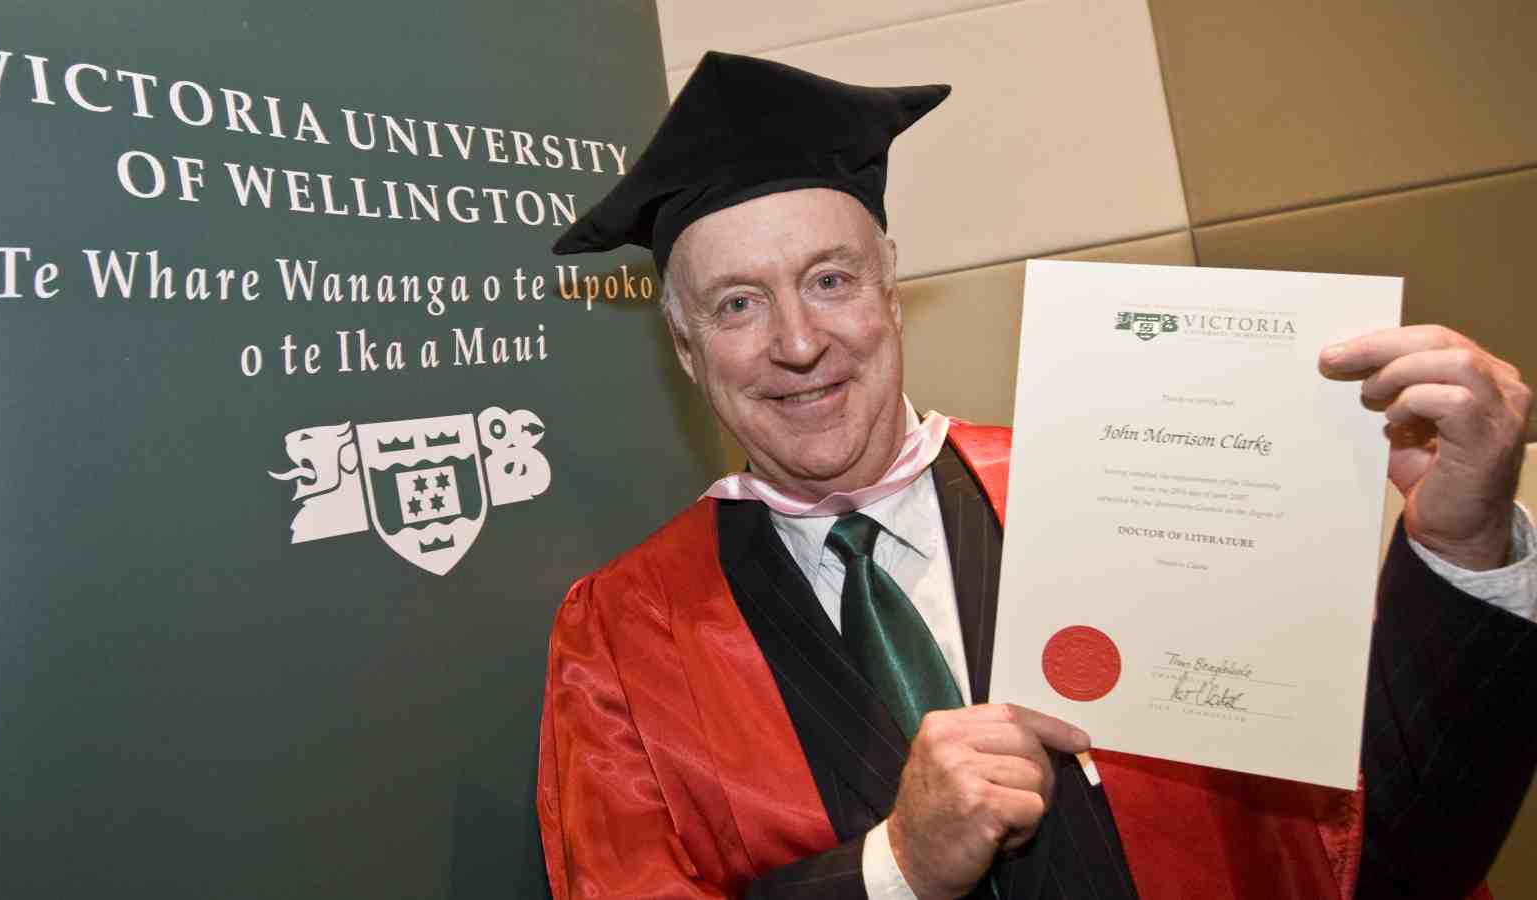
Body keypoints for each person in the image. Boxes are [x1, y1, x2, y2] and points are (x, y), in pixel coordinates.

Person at [537, 51, 1537, 900]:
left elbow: (1390, 856)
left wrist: (1461, 551)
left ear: (890, 291)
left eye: (829, 280)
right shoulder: (621, 640)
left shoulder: (1128, 491)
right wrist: (894, 870)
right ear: (683, 346)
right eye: (737, 305)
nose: (798, 342)